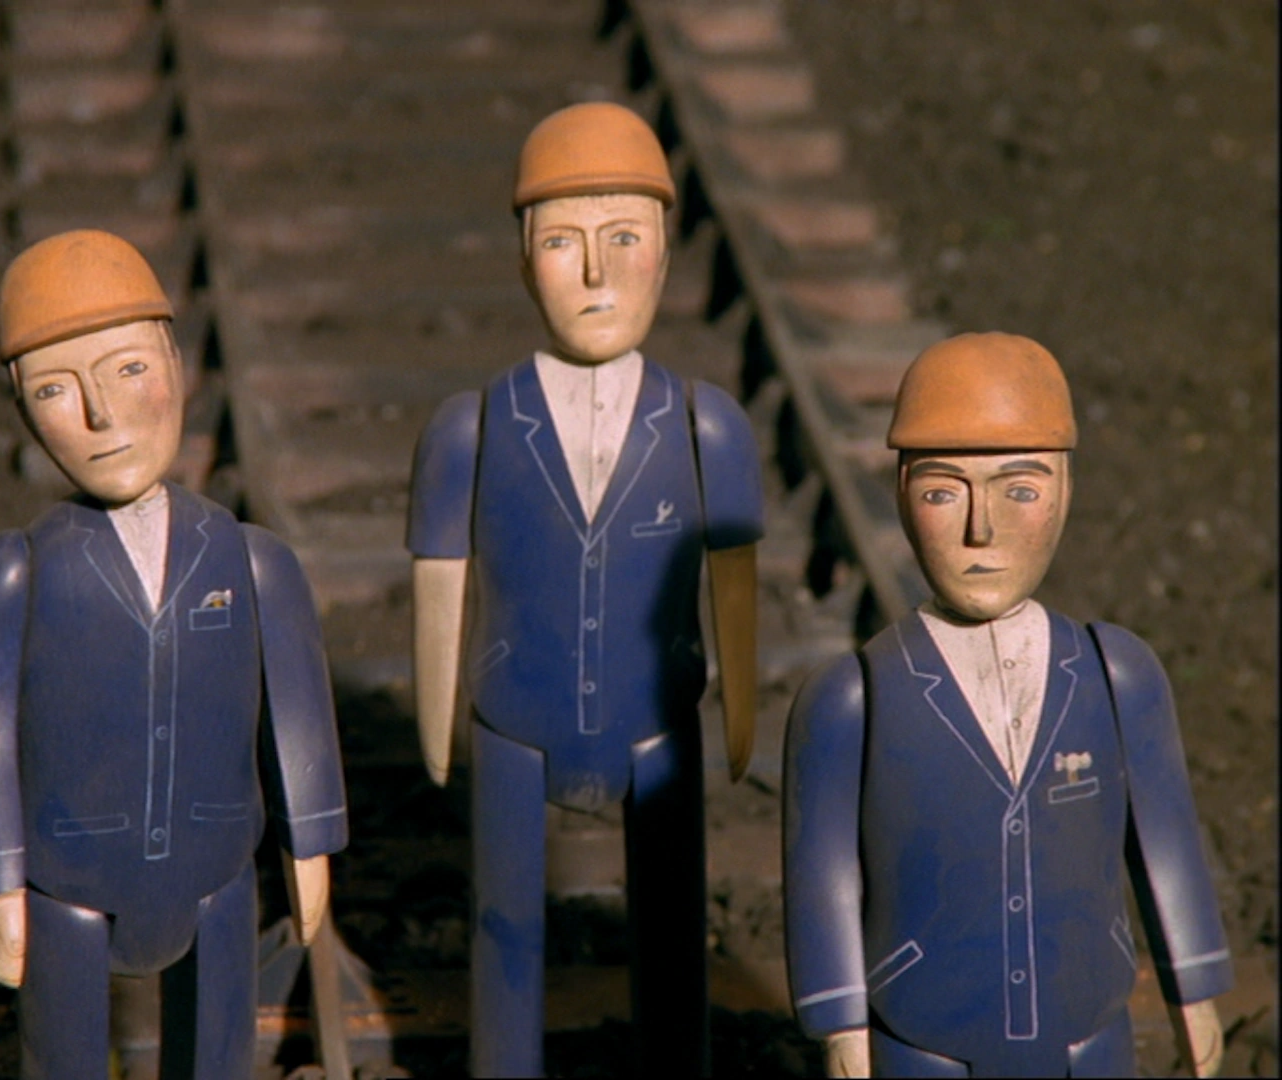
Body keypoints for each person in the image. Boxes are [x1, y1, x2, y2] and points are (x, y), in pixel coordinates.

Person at [0, 229, 348, 1080]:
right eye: (56, 388)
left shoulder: (249, 560)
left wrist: (308, 843)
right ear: (22, 408)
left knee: (219, 1052)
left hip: (218, 868)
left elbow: (298, 715)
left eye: (128, 369)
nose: (103, 414)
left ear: (177, 363)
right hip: (68, 882)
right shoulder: (12, 574)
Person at [407, 102, 764, 1077]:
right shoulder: (473, 427)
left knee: (672, 937)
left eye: (625, 238)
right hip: (512, 715)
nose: (598, 273)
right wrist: (437, 722)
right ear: (525, 261)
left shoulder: (707, 426)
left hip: (660, 719)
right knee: (504, 934)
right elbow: (440, 582)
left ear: (666, 254)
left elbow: (734, 584)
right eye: (565, 241)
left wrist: (737, 715)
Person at [783, 332, 1233, 1077]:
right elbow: (822, 874)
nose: (980, 529)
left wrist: (1196, 989)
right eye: (942, 491)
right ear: (901, 497)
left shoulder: (1116, 674)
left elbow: (1165, 843)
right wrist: (839, 1022)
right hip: (922, 1031)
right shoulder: (851, 699)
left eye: (1019, 490)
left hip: (1087, 1024)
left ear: (1066, 491)